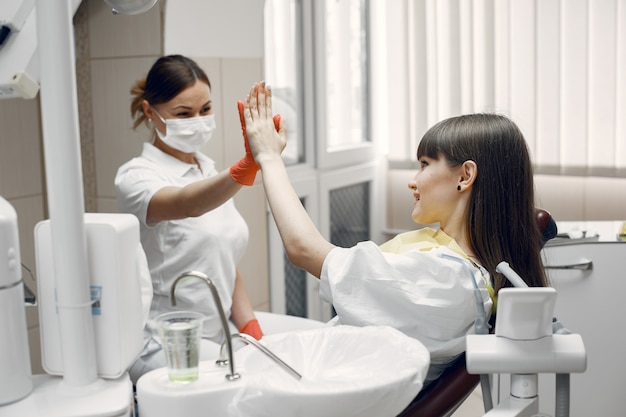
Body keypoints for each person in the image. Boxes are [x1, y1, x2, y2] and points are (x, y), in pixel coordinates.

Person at [240, 82, 549, 385]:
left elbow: (303, 249)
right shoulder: (443, 259)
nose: (413, 181)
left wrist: (269, 157)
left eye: (425, 164)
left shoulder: (445, 281)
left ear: (465, 176)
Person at [115, 55, 269, 383]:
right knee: (258, 383)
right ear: (148, 112)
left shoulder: (206, 170)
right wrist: (245, 167)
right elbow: (187, 204)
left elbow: (222, 260)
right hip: (164, 341)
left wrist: (251, 327)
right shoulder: (136, 177)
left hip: (215, 333)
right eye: (183, 114)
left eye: (205, 110)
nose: (197, 121)